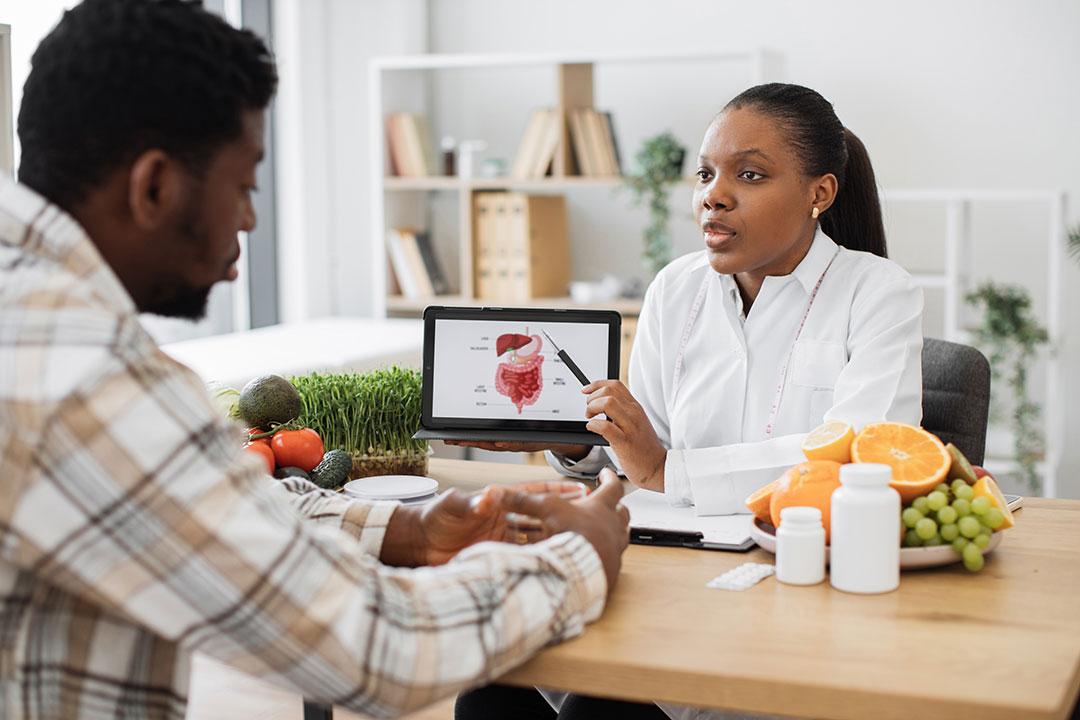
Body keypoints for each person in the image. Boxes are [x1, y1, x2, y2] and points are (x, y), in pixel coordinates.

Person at [0, 2, 630, 719]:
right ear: (153, 186)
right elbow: (377, 649)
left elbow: (214, 505)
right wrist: (577, 558)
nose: (248, 224)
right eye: (243, 189)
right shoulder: (82, 373)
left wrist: (410, 532)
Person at [453, 83, 923, 719]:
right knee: (489, 693)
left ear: (820, 193)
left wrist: (666, 469)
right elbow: (638, 454)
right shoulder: (676, 287)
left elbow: (862, 460)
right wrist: (578, 443)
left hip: (798, 595)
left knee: (602, 708)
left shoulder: (878, 293)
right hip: (664, 579)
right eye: (705, 173)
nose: (713, 195)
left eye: (749, 175)